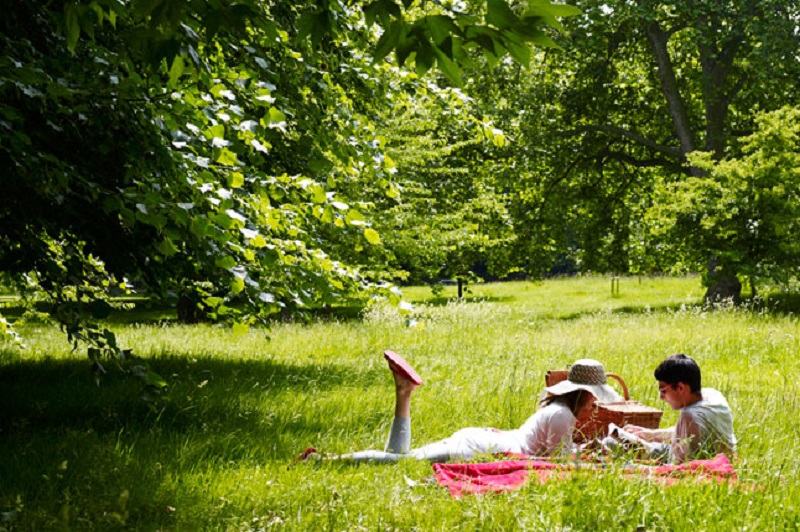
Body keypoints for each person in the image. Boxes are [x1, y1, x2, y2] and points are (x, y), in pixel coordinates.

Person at [296, 352, 624, 464]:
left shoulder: (556, 409)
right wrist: (595, 452)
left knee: (400, 460)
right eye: (594, 397)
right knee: (401, 461)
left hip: (484, 440)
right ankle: (322, 460)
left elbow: (558, 453)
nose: (595, 403)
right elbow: (558, 463)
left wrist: (589, 449)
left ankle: (404, 394)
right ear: (582, 394)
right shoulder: (563, 415)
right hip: (481, 447)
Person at [604, 353, 736, 463]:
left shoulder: (689, 416)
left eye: (663, 391)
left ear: (680, 388)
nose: (661, 397)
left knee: (610, 443)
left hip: (690, 461)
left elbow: (678, 466)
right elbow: (687, 434)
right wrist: (648, 434)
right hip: (707, 455)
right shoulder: (712, 395)